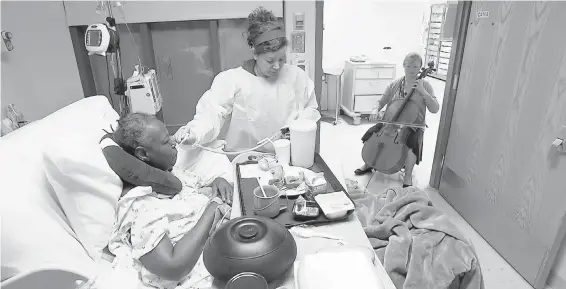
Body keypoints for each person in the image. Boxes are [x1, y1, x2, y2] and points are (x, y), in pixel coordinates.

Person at [106, 113, 233, 289]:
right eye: (166, 141)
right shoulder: (141, 206)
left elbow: (196, 190)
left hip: (227, 241)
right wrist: (211, 211)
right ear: (143, 154)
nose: (174, 143)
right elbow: (173, 267)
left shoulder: (169, 176)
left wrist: (217, 182)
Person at [173, 6, 321, 154]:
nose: (277, 66)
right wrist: (193, 134)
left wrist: (298, 128)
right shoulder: (231, 81)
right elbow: (211, 115)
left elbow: (310, 109)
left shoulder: (296, 77)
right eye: (270, 61)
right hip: (244, 160)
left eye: (281, 59)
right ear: (255, 53)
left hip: (286, 157)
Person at [355, 53, 439, 187]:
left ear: (420, 68)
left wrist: (423, 92)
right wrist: (375, 109)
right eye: (409, 66)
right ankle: (369, 163)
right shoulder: (395, 84)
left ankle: (407, 176)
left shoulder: (426, 85)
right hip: (391, 122)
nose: (412, 69)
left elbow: (435, 109)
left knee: (412, 143)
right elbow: (381, 101)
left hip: (414, 125)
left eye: (415, 66)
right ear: (403, 66)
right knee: (372, 133)